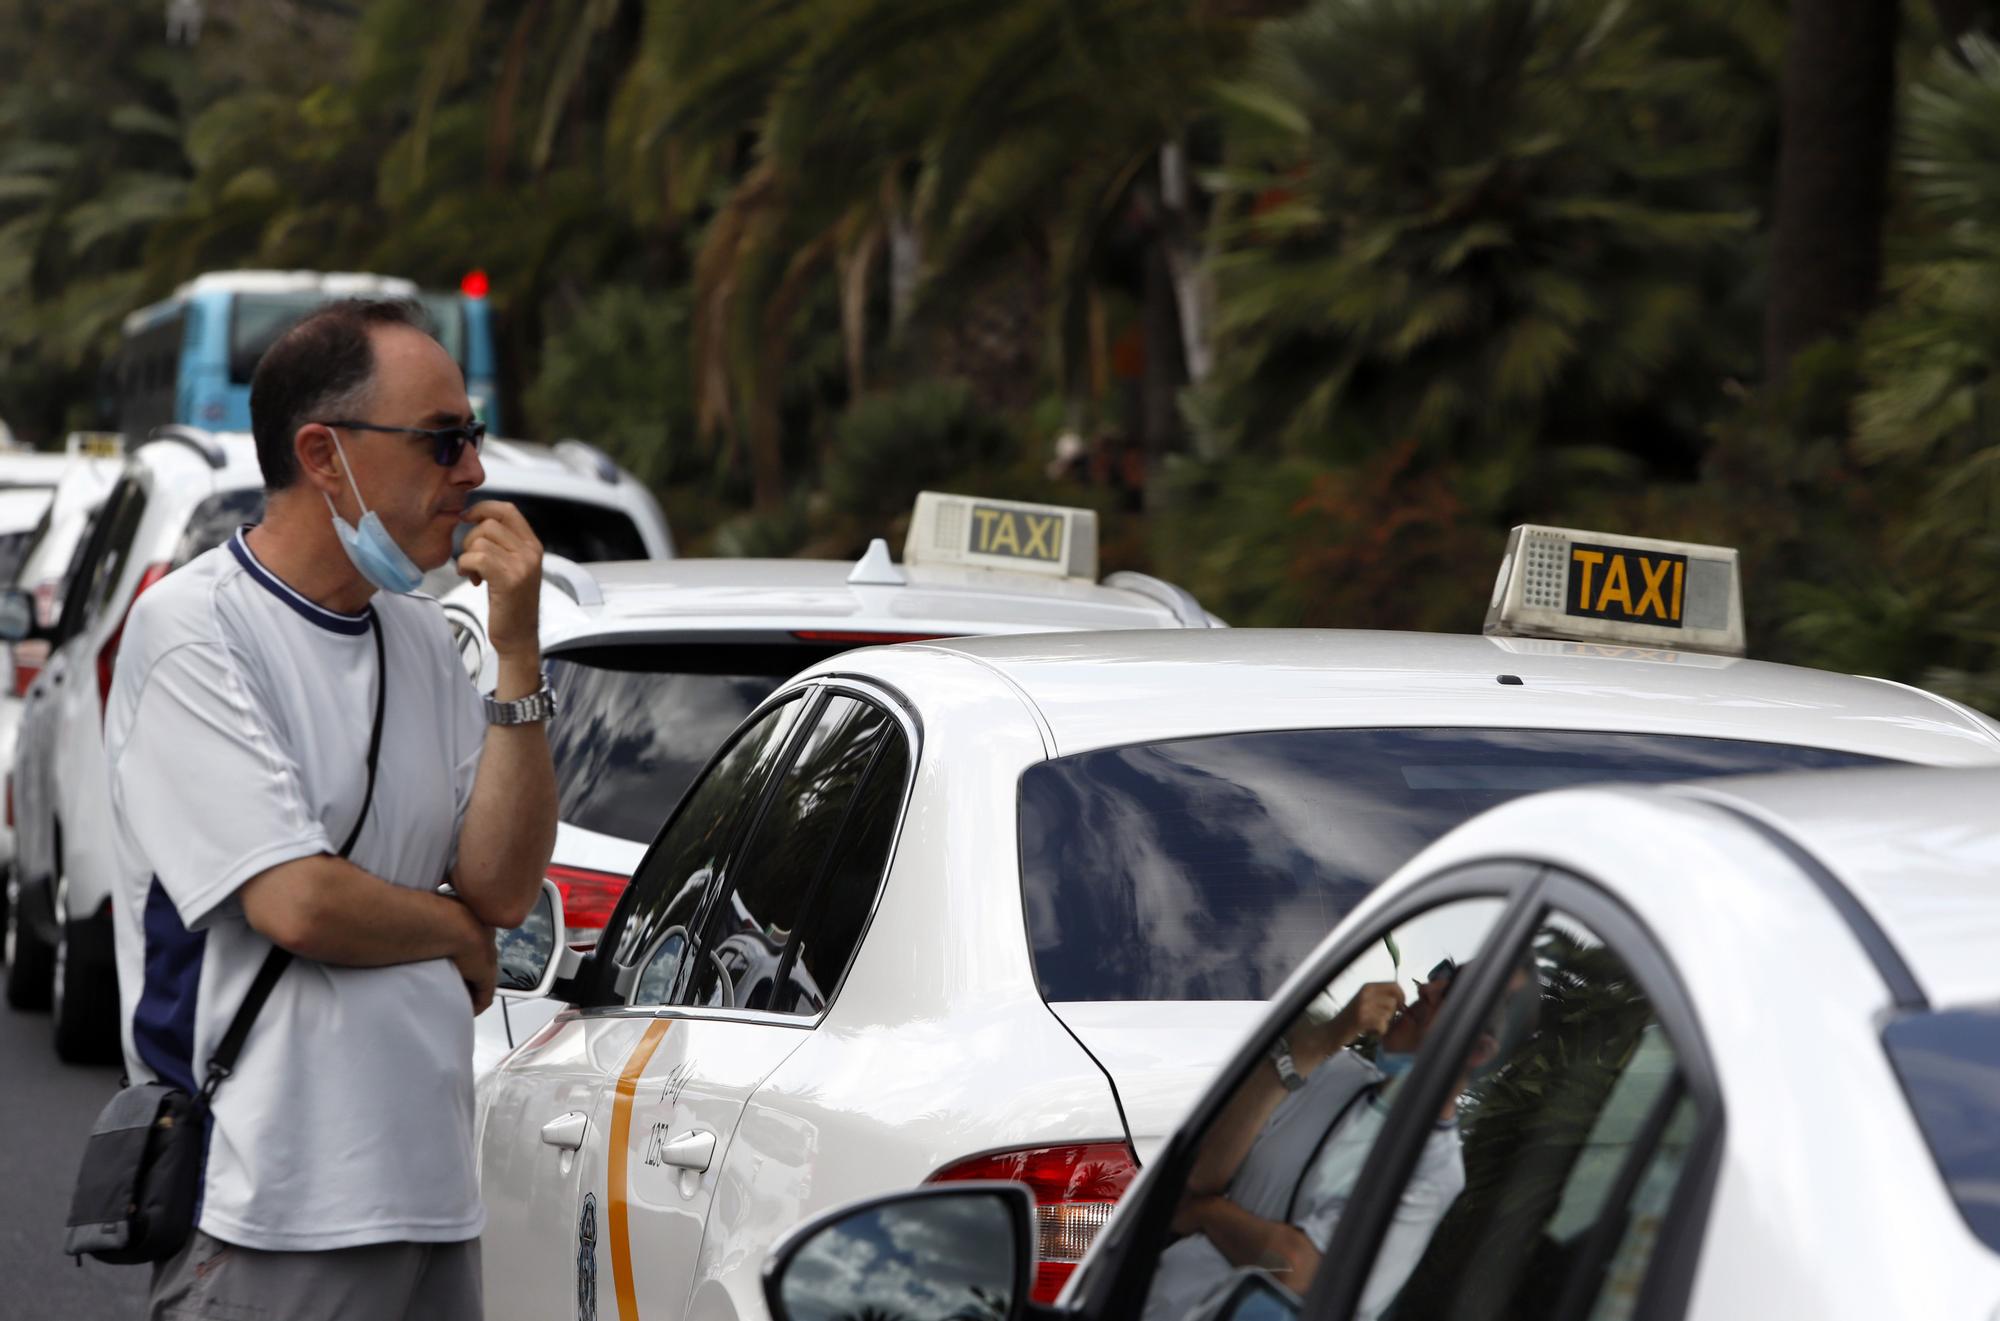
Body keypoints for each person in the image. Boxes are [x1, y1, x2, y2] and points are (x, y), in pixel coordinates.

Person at [103, 298, 558, 1320]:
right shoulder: (192, 630)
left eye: (472, 437)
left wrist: (517, 655)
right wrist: (455, 934)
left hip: (433, 1194)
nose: (474, 472)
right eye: (444, 440)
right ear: (323, 452)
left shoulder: (427, 641)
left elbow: (501, 884)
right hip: (269, 1204)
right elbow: (296, 901)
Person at [1144, 958, 1533, 1321]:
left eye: (1452, 992)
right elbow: (1201, 1175)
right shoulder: (1335, 1069)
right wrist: (1321, 1041)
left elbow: (1295, 1270)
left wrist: (1206, 1215)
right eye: (1440, 978)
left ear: (1479, 1050)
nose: (1427, 989)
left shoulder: (1434, 1169)